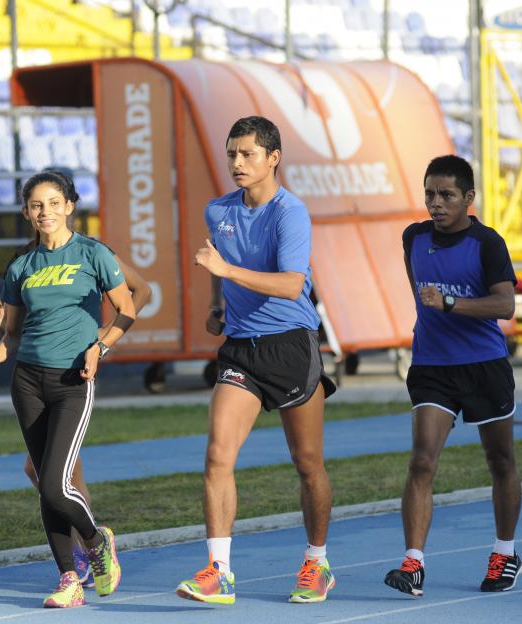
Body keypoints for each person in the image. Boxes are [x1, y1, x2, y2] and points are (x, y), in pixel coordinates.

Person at [175, 116, 337, 606]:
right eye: (231, 154)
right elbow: (214, 257)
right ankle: (219, 570)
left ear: (273, 157)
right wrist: (216, 301)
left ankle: (317, 561)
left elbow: (292, 284)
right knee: (217, 454)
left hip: (290, 344)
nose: (237, 163)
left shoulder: (291, 213)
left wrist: (227, 271)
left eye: (247, 154)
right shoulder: (217, 210)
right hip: (241, 349)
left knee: (307, 464)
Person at [0, 170, 136, 608]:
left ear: (69, 206)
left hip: (73, 380)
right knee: (48, 483)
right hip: (27, 381)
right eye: (35, 205)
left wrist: (99, 347)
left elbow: (127, 310)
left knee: (52, 484)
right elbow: (9, 332)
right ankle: (69, 577)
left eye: (53, 203)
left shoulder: (93, 254)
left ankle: (96, 542)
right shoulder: (21, 265)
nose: (44, 212)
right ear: (27, 212)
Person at [384, 155, 522, 597]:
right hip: (432, 366)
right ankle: (413, 563)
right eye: (429, 194)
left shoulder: (487, 243)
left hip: (484, 365)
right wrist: (432, 316)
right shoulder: (414, 238)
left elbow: (504, 306)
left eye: (446, 195)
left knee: (499, 461)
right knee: (422, 460)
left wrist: (449, 304)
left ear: (468, 198)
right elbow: (418, 290)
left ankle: (505, 552)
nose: (436, 203)